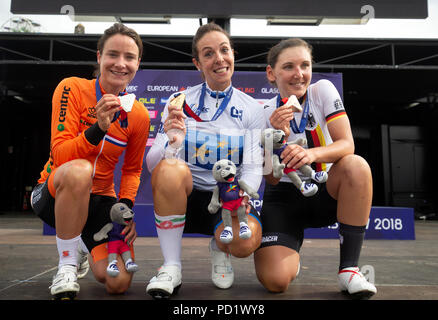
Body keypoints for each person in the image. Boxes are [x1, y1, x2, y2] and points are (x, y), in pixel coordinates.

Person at [145, 22, 265, 299]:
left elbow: (253, 165)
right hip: (185, 197)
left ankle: (219, 246)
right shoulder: (179, 101)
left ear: (233, 54)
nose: (219, 59)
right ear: (197, 63)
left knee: (244, 243)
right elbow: (154, 167)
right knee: (169, 168)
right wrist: (172, 141)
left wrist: (242, 195)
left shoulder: (253, 108)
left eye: (224, 50)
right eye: (208, 54)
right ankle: (171, 267)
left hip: (225, 200)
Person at [30, 23, 149, 299]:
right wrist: (98, 128)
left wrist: (127, 207)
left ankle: (82, 246)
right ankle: (67, 265)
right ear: (99, 57)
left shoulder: (139, 115)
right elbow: (60, 155)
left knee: (117, 281)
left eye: (129, 57)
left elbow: (132, 170)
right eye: (113, 55)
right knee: (79, 170)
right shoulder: (71, 88)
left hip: (100, 200)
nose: (120, 64)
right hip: (54, 192)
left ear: (137, 63)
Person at [254, 38, 377, 299]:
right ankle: (290, 258)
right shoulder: (263, 112)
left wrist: (310, 154)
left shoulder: (322, 90)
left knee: (357, 166)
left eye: (305, 65)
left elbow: (347, 144)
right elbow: (270, 180)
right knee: (275, 281)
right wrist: (274, 137)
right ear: (271, 73)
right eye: (288, 67)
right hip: (285, 200)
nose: (299, 74)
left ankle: (349, 270)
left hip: (326, 189)